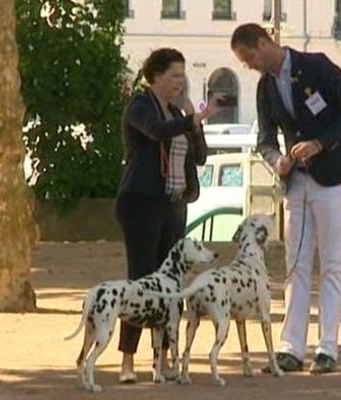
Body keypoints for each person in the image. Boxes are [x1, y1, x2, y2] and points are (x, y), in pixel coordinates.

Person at [230, 23, 341, 374]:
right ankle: (291, 347)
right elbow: (264, 137)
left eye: (249, 57)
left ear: (264, 43)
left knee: (333, 264)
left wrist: (320, 143)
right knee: (295, 265)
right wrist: (277, 160)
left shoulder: (317, 65)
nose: (249, 65)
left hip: (333, 177)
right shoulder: (265, 87)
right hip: (297, 183)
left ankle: (328, 348)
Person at [115, 47, 221, 383]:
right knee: (141, 280)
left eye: (182, 76)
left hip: (174, 204)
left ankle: (162, 359)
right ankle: (127, 361)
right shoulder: (141, 107)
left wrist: (197, 126)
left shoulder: (178, 111)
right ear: (155, 76)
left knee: (171, 283)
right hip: (140, 203)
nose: (179, 82)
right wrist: (190, 120)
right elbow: (157, 132)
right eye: (174, 76)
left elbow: (200, 157)